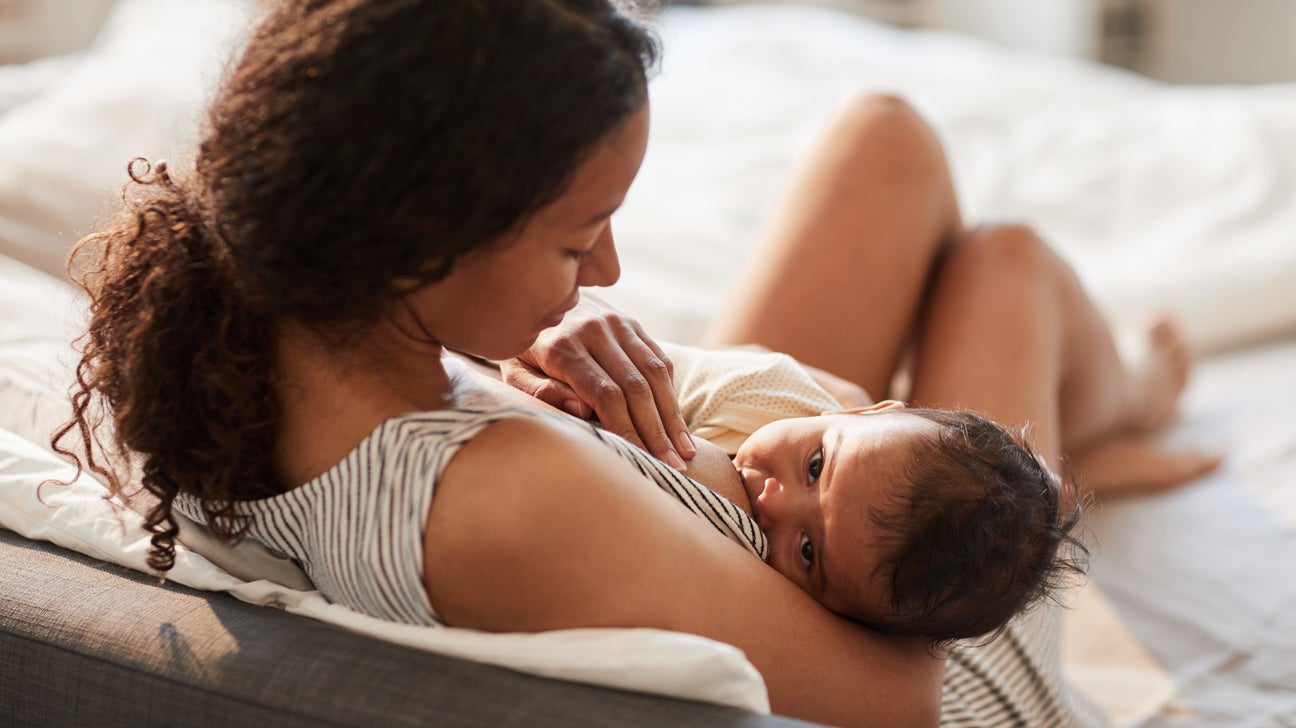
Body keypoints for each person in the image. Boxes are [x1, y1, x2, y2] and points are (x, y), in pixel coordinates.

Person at [53, 1, 1218, 726]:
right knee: (1005, 266)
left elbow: (526, 446)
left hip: (745, 488)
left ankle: (1088, 420)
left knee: (887, 140)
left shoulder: (257, 320)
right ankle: (1105, 419)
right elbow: (907, 698)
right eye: (574, 237)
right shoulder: (507, 498)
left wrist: (524, 365)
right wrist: (836, 431)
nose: (608, 269)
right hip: (923, 605)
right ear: (419, 242)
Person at [632, 340, 1086, 645]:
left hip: (1002, 664)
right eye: (814, 466)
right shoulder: (764, 390)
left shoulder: (821, 617)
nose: (771, 502)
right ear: (865, 410)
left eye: (808, 551)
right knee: (1006, 249)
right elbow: (639, 367)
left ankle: (1106, 437)